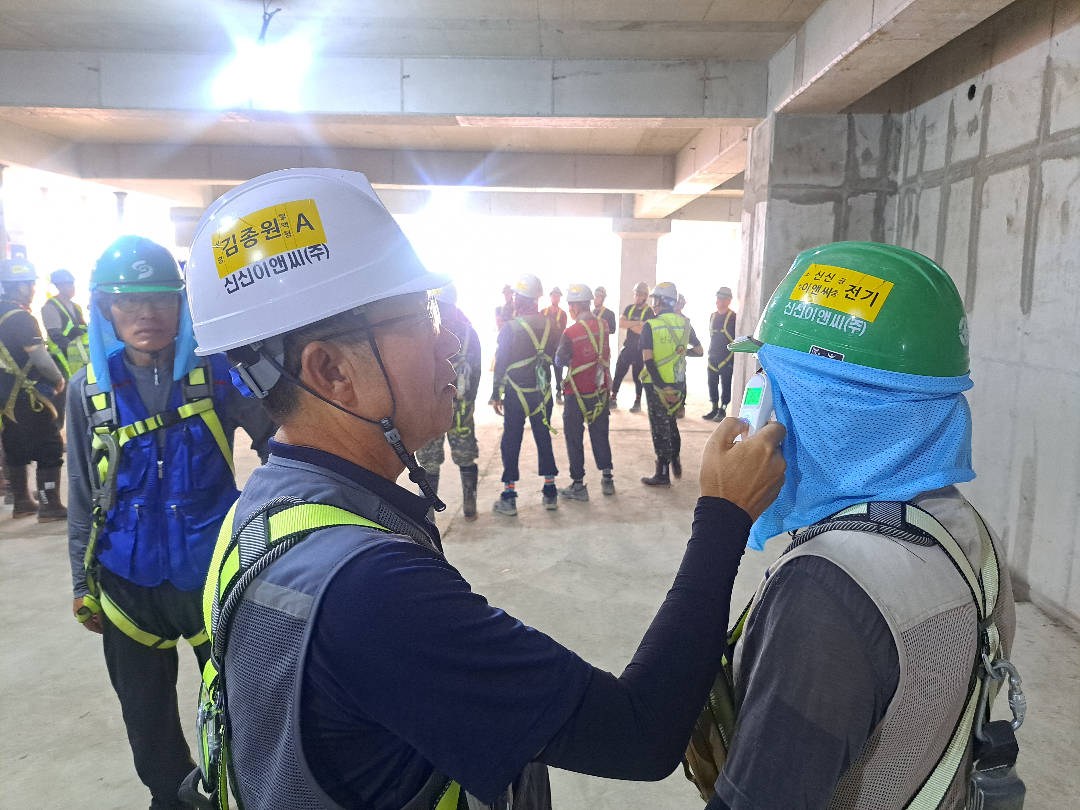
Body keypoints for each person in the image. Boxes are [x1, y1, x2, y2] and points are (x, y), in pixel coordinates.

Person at [180, 167, 788, 810]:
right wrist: (724, 513)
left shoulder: (265, 511)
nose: (451, 342)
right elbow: (640, 734)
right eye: (422, 316)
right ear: (331, 370)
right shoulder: (369, 589)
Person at [702, 242, 1018, 810]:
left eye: (769, 380)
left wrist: (717, 519)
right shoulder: (968, 534)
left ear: (822, 403)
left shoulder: (825, 590)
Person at [66, 235, 274, 810]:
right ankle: (171, 798)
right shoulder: (90, 389)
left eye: (160, 298)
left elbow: (283, 446)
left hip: (212, 575)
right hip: (125, 581)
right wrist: (82, 582)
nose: (146, 314)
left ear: (182, 304)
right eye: (128, 301)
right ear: (105, 308)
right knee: (145, 713)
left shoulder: (219, 376)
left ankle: (238, 792)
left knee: (239, 705)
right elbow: (83, 490)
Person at [0, 258, 67, 520]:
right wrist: (58, 379)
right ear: (20, 286)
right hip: (27, 394)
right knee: (49, 445)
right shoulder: (20, 317)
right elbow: (39, 356)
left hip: (4, 395)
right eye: (31, 284)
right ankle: (50, 505)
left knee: (14, 443)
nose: (34, 289)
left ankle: (22, 502)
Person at [490, 273, 561, 514]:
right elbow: (557, 360)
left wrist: (495, 394)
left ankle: (509, 495)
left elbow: (500, 363)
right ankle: (550, 491)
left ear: (520, 299)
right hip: (542, 393)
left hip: (516, 394)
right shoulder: (552, 326)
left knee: (511, 439)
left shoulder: (511, 328)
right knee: (543, 437)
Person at [415, 283, 482, 520]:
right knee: (434, 461)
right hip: (446, 408)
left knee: (450, 457)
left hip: (440, 408)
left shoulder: (426, 332)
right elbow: (475, 372)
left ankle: (461, 507)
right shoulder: (467, 333)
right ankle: (435, 513)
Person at [639, 282, 702, 487]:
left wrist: (661, 386)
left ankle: (662, 473)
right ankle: (675, 459)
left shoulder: (651, 325)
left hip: (657, 386)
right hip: (678, 384)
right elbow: (699, 351)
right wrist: (684, 352)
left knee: (660, 428)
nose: (653, 304)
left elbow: (648, 361)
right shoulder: (685, 324)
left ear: (660, 301)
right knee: (672, 423)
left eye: (654, 300)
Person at [554, 283, 613, 500]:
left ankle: (578, 486)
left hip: (576, 394)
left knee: (574, 438)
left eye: (570, 306)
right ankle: (607, 479)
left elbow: (559, 360)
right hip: (599, 391)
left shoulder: (571, 332)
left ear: (576, 308)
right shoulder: (604, 325)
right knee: (600, 434)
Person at [41, 268, 90, 428]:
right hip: (60, 359)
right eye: (68, 285)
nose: (72, 288)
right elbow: (55, 335)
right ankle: (55, 430)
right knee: (60, 400)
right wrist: (73, 347)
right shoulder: (50, 307)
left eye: (72, 284)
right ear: (59, 287)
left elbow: (82, 329)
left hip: (77, 359)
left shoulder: (76, 307)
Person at [610, 281, 653, 412]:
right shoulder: (629, 308)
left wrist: (631, 324)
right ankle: (613, 398)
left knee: (637, 377)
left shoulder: (649, 312)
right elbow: (621, 324)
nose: (636, 297)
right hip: (628, 346)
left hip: (640, 350)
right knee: (619, 373)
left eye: (639, 295)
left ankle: (637, 401)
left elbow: (643, 330)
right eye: (635, 294)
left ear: (645, 296)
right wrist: (638, 323)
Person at [702, 287, 736, 421]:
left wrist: (730, 357)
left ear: (728, 301)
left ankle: (723, 409)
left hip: (726, 356)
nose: (718, 301)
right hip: (713, 355)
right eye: (718, 298)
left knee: (726, 383)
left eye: (722, 299)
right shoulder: (713, 316)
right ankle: (714, 408)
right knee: (712, 382)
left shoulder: (733, 317)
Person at [541, 286, 568, 405]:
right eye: (554, 296)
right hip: (545, 347)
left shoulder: (563, 314)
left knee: (558, 372)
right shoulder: (543, 312)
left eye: (557, 296)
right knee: (545, 371)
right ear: (550, 297)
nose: (556, 298)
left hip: (557, 346)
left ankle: (558, 392)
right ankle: (546, 393)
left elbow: (562, 331)